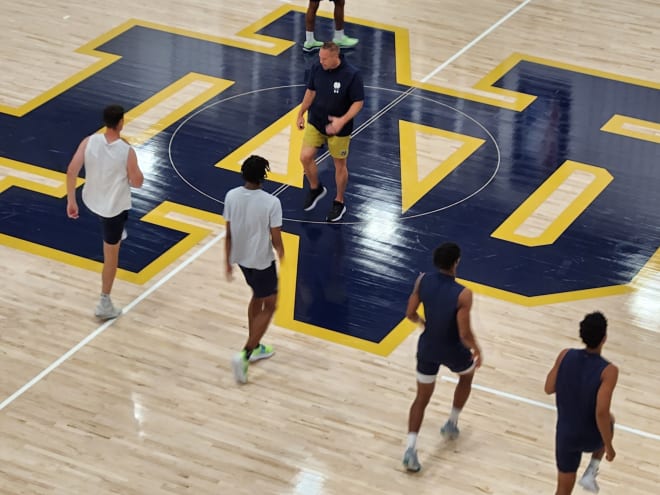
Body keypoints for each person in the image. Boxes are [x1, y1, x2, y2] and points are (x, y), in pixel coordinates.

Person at [402, 242, 482, 472]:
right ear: (456, 262)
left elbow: (409, 313)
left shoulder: (422, 280)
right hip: (452, 349)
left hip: (427, 346)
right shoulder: (463, 294)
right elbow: (464, 333)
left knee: (421, 399)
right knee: (466, 377)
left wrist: (423, 324)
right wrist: (477, 350)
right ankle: (451, 423)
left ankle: (410, 448)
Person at [66, 104, 144, 320]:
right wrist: (131, 164)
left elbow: (72, 171)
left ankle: (117, 233)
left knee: (112, 223)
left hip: (90, 199)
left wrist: (71, 202)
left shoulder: (88, 141)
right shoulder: (126, 150)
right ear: (121, 122)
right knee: (111, 256)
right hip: (111, 210)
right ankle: (104, 302)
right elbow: (137, 183)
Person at [223, 155, 285, 384]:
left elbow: (228, 233)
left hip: (240, 258)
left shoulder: (231, 196)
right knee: (271, 304)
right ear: (263, 176)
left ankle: (256, 344)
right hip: (261, 261)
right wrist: (282, 254)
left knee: (257, 296)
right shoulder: (271, 202)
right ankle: (246, 353)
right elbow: (276, 238)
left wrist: (226, 261)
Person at [544, 312, 618, 494]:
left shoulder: (564, 355)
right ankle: (591, 471)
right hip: (590, 437)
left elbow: (548, 387)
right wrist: (609, 447)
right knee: (609, 420)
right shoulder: (609, 371)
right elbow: (601, 412)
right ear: (604, 338)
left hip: (565, 435)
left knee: (562, 490)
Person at [296, 41, 364, 222]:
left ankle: (339, 201)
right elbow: (310, 91)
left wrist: (342, 120)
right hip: (316, 121)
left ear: (336, 57)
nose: (321, 61)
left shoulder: (352, 75)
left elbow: (358, 102)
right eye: (320, 57)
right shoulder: (317, 67)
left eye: (325, 59)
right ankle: (315, 188)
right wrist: (301, 112)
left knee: (339, 165)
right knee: (305, 157)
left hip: (338, 129)